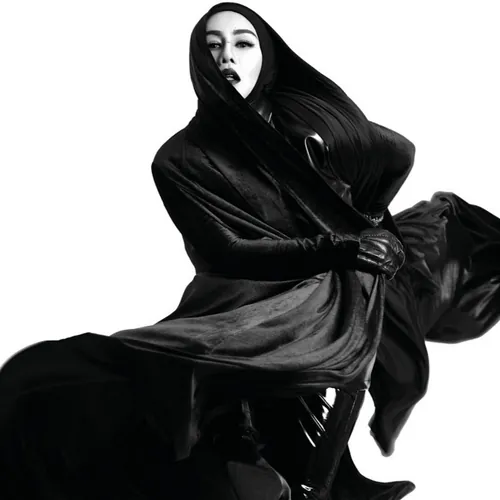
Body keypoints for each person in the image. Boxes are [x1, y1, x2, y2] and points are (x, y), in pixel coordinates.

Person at [1, 2, 500, 499]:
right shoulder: (178, 158)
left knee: (362, 309)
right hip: (239, 290)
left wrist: (366, 221)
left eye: (243, 43)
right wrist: (345, 244)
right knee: (211, 358)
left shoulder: (306, 132)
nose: (227, 56)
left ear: (267, 58)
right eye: (213, 46)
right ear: (199, 59)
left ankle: (308, 468)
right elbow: (229, 251)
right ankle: (241, 444)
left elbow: (398, 153)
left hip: (329, 279)